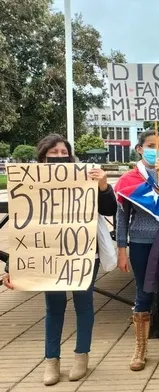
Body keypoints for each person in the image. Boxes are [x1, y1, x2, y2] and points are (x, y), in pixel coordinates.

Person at [2, 134, 117, 386]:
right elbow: (23, 227)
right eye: (52, 153)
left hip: (84, 253)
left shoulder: (86, 178)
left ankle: (81, 356)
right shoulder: (29, 184)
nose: (58, 156)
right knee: (53, 308)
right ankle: (51, 360)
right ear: (42, 157)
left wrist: (104, 186)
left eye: (62, 151)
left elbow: (109, 210)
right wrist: (13, 268)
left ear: (70, 154)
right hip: (48, 257)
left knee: (84, 305)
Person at [115, 130, 159, 371]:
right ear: (139, 148)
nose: (155, 149)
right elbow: (122, 217)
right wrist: (121, 249)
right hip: (140, 243)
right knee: (143, 294)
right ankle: (140, 349)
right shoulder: (128, 180)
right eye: (150, 145)